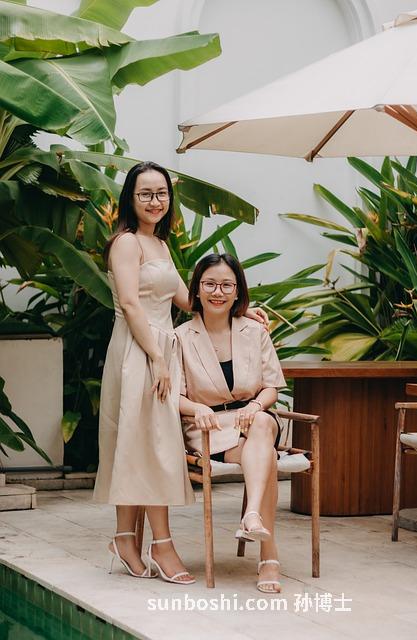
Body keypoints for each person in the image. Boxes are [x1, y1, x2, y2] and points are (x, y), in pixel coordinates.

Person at [93, 162, 268, 585]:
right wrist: (156, 357)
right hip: (138, 350)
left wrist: (242, 311)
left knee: (146, 443)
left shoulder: (160, 244)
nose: (155, 201)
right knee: (145, 443)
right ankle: (159, 544)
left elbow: (188, 301)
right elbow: (131, 305)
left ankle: (126, 539)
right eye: (145, 193)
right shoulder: (126, 243)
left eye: (161, 193)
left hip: (160, 349)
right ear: (130, 199)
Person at [176, 253, 286, 593]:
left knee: (263, 424)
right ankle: (268, 555)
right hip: (210, 428)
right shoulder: (180, 337)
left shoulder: (255, 331)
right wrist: (196, 407)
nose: (218, 292)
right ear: (196, 290)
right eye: (210, 284)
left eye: (227, 285)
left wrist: (255, 405)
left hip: (252, 416)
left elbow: (272, 387)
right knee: (266, 456)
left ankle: (252, 515)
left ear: (238, 291)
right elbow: (173, 395)